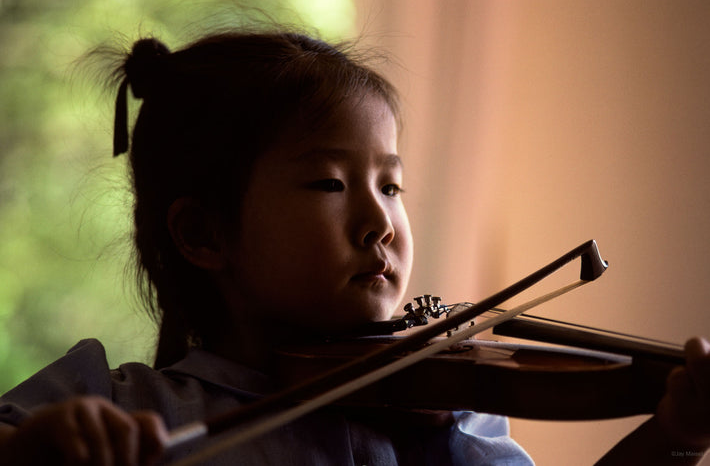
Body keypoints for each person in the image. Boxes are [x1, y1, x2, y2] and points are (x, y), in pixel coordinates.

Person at [0, 28, 707, 465]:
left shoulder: (445, 412)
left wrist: (677, 434)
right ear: (205, 234)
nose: (381, 222)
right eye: (328, 183)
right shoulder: (115, 401)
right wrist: (38, 450)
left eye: (392, 187)